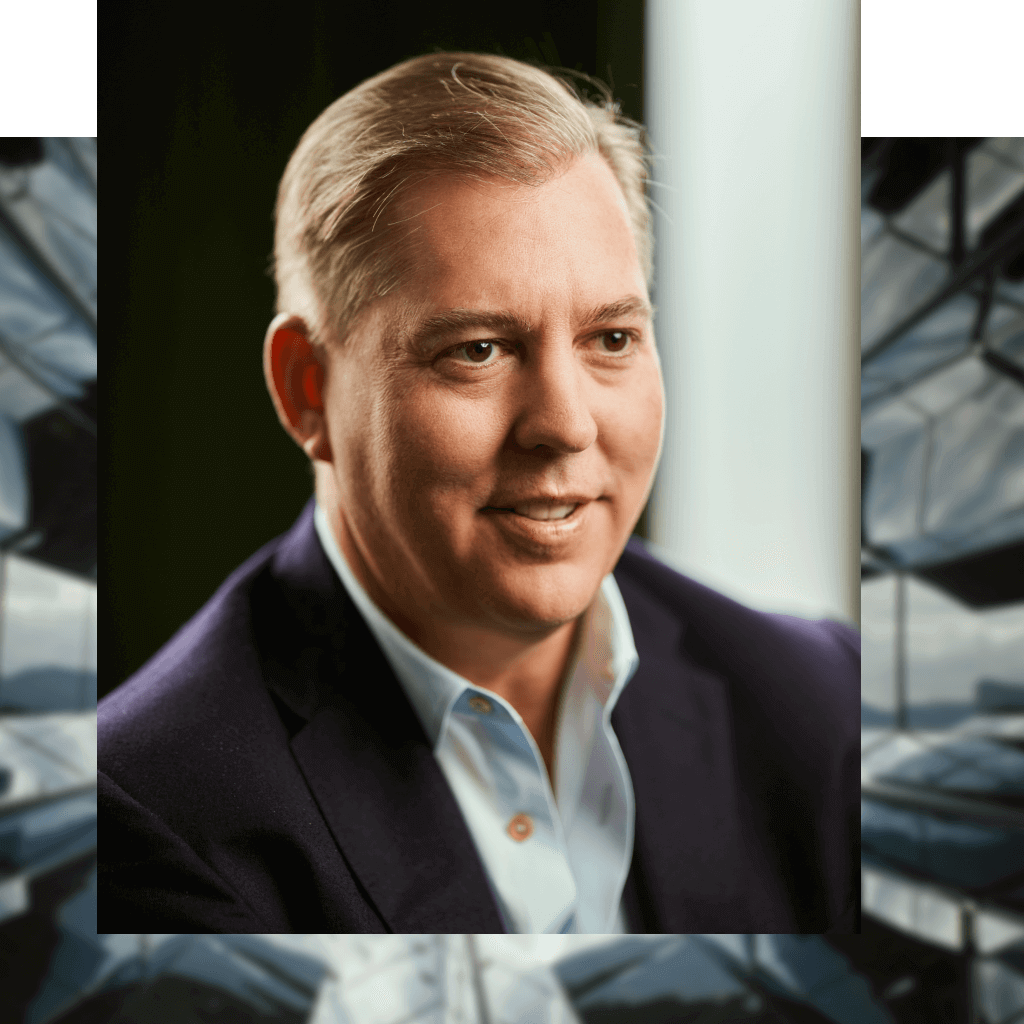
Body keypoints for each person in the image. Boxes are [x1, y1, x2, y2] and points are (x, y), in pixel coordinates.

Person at [98, 51, 859, 934]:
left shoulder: (822, 706)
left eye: (611, 337)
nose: (565, 425)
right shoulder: (143, 819)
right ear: (307, 389)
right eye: (478, 351)